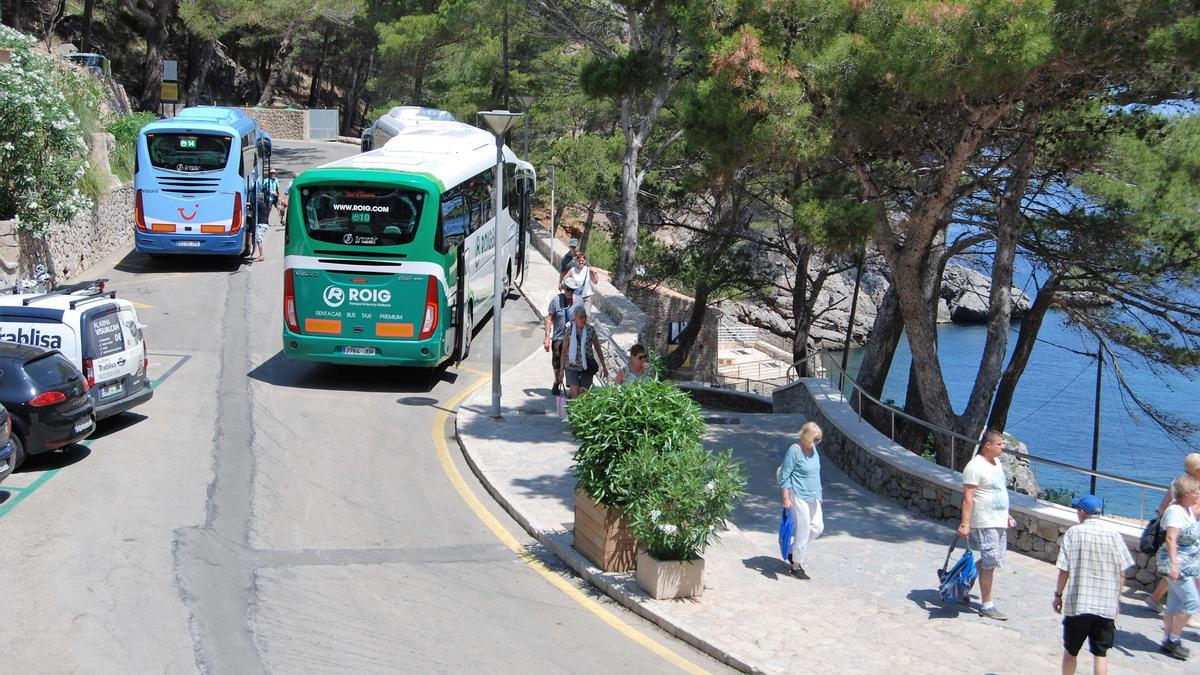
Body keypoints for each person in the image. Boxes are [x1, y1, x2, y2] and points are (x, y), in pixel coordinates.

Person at [1053, 494, 1135, 675]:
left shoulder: (1073, 533)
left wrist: (1058, 595)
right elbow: (1122, 573)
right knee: (1100, 654)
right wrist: (1116, 600)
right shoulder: (1114, 536)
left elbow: (1064, 570)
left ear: (1082, 512)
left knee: (1071, 651)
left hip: (1079, 604)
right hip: (1105, 606)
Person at [958, 429, 1016, 620]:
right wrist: (965, 524)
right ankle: (987, 605)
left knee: (993, 558)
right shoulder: (974, 467)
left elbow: (998, 491)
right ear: (988, 445)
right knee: (990, 562)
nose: (1003, 448)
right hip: (984, 521)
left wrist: (1006, 514)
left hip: (998, 519)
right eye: (999, 444)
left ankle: (963, 580)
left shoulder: (997, 463)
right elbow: (968, 497)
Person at [1147, 452, 1200, 616]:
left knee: (1177, 572)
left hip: (1174, 534)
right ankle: (1190, 611)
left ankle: (1156, 599)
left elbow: (1162, 507)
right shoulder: (1194, 489)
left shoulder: (1177, 482)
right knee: (1189, 572)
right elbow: (1194, 512)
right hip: (1187, 538)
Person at [1157, 474, 1200, 660]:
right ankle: (1174, 640)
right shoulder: (1175, 511)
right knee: (1193, 602)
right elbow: (1170, 538)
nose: (1199, 495)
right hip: (1176, 564)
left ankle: (1167, 639)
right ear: (1187, 493)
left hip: (1187, 564)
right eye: (1196, 492)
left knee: (1174, 604)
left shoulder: (1188, 510)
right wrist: (1174, 565)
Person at [779, 421, 824, 579]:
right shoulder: (795, 451)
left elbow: (816, 472)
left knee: (817, 527)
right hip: (797, 494)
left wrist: (820, 493)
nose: (817, 442)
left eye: (818, 440)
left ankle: (792, 551)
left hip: (813, 495)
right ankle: (796, 565)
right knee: (803, 530)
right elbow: (785, 476)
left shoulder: (814, 451)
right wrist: (786, 498)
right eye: (815, 439)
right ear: (806, 437)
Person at [558, 305, 607, 399]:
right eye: (581, 317)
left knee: (585, 393)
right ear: (575, 318)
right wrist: (561, 371)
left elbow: (597, 348)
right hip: (571, 366)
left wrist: (604, 366)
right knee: (575, 391)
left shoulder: (590, 330)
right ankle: (573, 408)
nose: (583, 319)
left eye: (585, 317)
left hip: (587, 366)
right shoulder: (569, 331)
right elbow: (564, 351)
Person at [544, 278, 582, 396]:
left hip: (573, 338)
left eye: (572, 290)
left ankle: (572, 386)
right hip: (559, 337)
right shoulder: (556, 301)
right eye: (568, 290)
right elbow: (549, 319)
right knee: (556, 361)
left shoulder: (579, 302)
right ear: (563, 289)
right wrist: (547, 337)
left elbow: (583, 319)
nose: (570, 292)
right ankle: (557, 381)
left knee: (572, 363)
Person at [251, 191, 271, 262]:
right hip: (263, 224)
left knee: (259, 239)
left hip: (262, 224)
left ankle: (261, 256)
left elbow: (251, 203)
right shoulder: (263, 204)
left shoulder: (259, 203)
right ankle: (261, 255)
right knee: (259, 239)